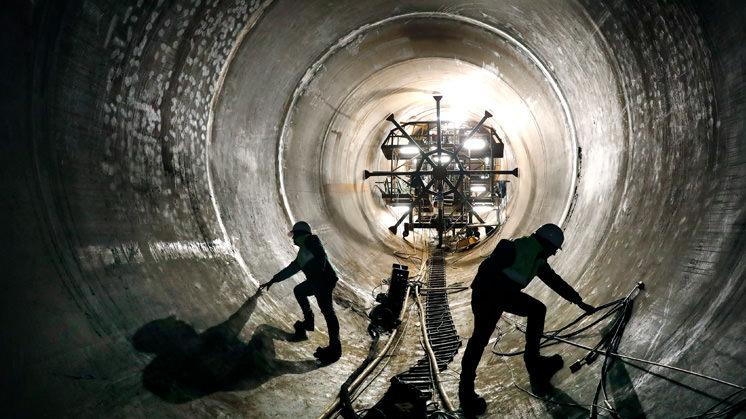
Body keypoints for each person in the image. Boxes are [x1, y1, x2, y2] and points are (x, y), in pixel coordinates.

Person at [458, 223, 596, 415]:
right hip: (487, 296)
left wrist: (579, 301)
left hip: (504, 295)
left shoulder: (537, 258)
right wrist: (493, 306)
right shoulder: (512, 247)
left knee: (537, 310)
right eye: (554, 249)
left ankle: (534, 364)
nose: (554, 254)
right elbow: (486, 273)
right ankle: (465, 392)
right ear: (546, 244)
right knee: (480, 339)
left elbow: (554, 281)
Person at [259, 221, 342, 363]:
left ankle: (335, 349)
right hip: (318, 281)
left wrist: (318, 278)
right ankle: (308, 321)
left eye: (294, 236)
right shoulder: (302, 254)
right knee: (299, 291)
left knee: (328, 312)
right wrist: (274, 280)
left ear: (299, 234)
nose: (292, 239)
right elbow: (291, 269)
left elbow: (321, 256)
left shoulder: (311, 240)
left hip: (324, 280)